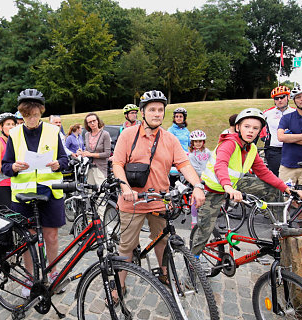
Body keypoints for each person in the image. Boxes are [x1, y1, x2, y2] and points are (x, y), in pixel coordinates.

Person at [112, 90, 205, 295]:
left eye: (160, 110)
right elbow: (117, 163)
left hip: (158, 200)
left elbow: (184, 164)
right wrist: (125, 187)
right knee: (126, 246)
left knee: (162, 241)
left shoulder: (169, 139)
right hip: (132, 202)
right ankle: (119, 285)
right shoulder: (128, 135)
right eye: (152, 109)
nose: (157, 114)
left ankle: (163, 273)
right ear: (143, 112)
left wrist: (197, 186)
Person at [191, 108, 302, 257]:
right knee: (205, 228)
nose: (250, 131)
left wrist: (286, 189)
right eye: (246, 126)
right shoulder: (229, 143)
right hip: (214, 189)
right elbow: (221, 165)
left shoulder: (252, 149)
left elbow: (263, 172)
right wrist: (228, 188)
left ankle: (281, 227)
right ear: (238, 127)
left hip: (234, 185)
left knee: (272, 189)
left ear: (260, 131)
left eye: (255, 128)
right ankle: (194, 260)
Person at [1, 88, 68, 297]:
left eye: (36, 114)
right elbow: (4, 166)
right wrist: (13, 168)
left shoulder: (53, 131)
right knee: (28, 238)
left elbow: (65, 161)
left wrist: (58, 164)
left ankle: (53, 272)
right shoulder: (14, 134)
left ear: (41, 112)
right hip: (23, 194)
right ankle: (30, 277)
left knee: (52, 235)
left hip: (50, 192)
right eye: (27, 115)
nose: (32, 119)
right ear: (21, 114)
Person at [261, 86, 296, 176]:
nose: (279, 100)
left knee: (290, 174)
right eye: (276, 98)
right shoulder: (267, 113)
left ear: (288, 97)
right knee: (276, 175)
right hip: (273, 148)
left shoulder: (295, 112)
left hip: (291, 148)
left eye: (282, 97)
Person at [78, 112, 111, 206]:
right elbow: (88, 150)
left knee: (101, 194)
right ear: (87, 124)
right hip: (90, 168)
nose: (92, 123)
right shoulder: (87, 135)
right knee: (90, 194)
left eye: (94, 121)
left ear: (98, 121)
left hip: (101, 168)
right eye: (89, 122)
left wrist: (91, 154)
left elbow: (107, 153)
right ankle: (92, 217)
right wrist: (82, 152)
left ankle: (100, 218)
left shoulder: (105, 134)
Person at [188, 130, 212, 228]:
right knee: (195, 199)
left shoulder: (208, 152)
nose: (198, 143)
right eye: (196, 141)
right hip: (197, 179)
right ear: (192, 143)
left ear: (203, 142)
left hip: (208, 178)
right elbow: (196, 169)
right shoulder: (192, 155)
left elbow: (211, 163)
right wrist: (204, 175)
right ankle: (194, 220)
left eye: (200, 141)